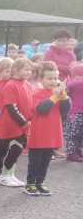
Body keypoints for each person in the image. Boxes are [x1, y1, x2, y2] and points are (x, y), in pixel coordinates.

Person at [25, 63, 70, 195]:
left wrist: (64, 96)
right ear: (41, 79)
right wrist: (55, 97)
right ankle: (30, 183)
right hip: (39, 134)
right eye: (49, 78)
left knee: (45, 161)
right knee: (35, 161)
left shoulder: (57, 94)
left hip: (52, 134)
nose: (53, 81)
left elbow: (66, 110)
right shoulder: (37, 93)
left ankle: (40, 182)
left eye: (55, 78)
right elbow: (42, 109)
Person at [0, 58, 34, 187]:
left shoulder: (27, 84)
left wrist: (31, 118)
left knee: (18, 150)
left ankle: (10, 174)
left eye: (30, 70)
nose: (29, 72)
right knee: (13, 149)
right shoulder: (11, 85)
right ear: (16, 70)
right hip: (12, 124)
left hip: (24, 124)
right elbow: (11, 107)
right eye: (26, 69)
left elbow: (31, 104)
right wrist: (23, 122)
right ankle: (4, 176)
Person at [64, 64, 83, 162]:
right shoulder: (76, 83)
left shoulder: (71, 83)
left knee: (75, 134)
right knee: (75, 134)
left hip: (74, 112)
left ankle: (75, 152)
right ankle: (72, 153)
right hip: (75, 112)